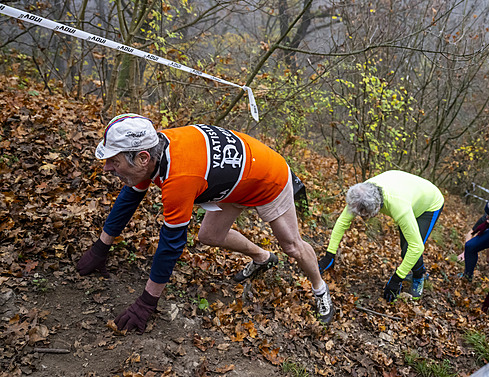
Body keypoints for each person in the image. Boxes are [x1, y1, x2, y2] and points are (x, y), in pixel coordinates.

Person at [76, 114, 335, 333]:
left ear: (143, 158)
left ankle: (320, 288)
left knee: (291, 245)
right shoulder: (152, 150)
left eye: (114, 160)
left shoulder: (178, 177)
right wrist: (100, 248)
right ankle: (262, 257)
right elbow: (129, 199)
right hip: (234, 183)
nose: (108, 168)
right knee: (210, 235)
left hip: (268, 179)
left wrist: (147, 302)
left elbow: (171, 245)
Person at [318, 170, 444, 301]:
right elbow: (342, 222)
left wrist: (396, 279)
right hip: (409, 193)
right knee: (407, 249)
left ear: (377, 208)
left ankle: (419, 277)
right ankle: (415, 269)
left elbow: (416, 247)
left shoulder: (399, 206)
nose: (362, 218)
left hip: (429, 204)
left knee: (409, 248)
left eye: (365, 216)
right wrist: (329, 254)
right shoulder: (362, 193)